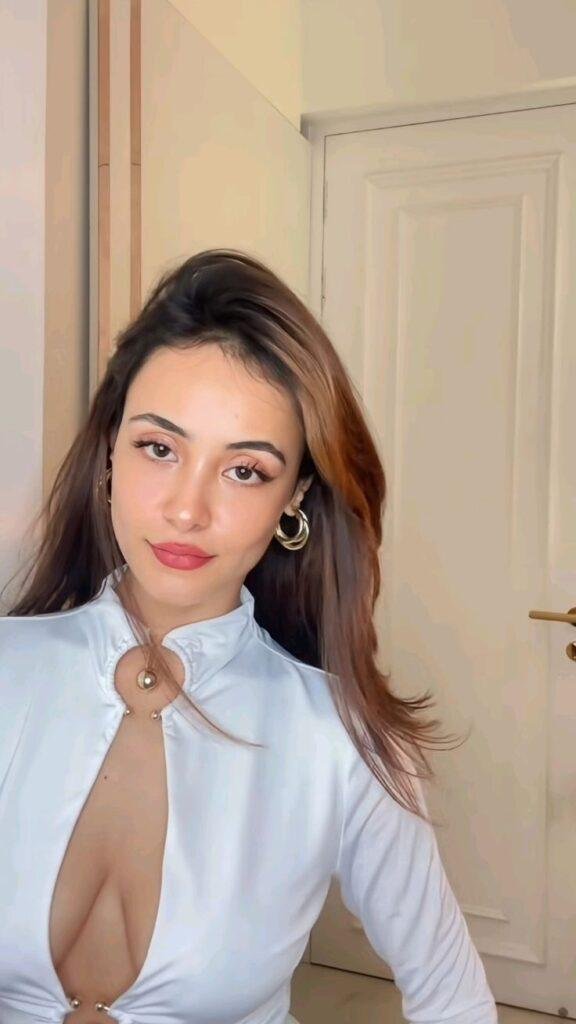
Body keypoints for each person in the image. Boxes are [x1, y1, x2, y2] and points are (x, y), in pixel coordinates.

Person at [0, 249, 498, 1024]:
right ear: (110, 449)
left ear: (294, 495)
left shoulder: (342, 739)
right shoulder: (9, 671)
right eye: (159, 448)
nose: (186, 510)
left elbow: (453, 999)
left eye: (245, 471)